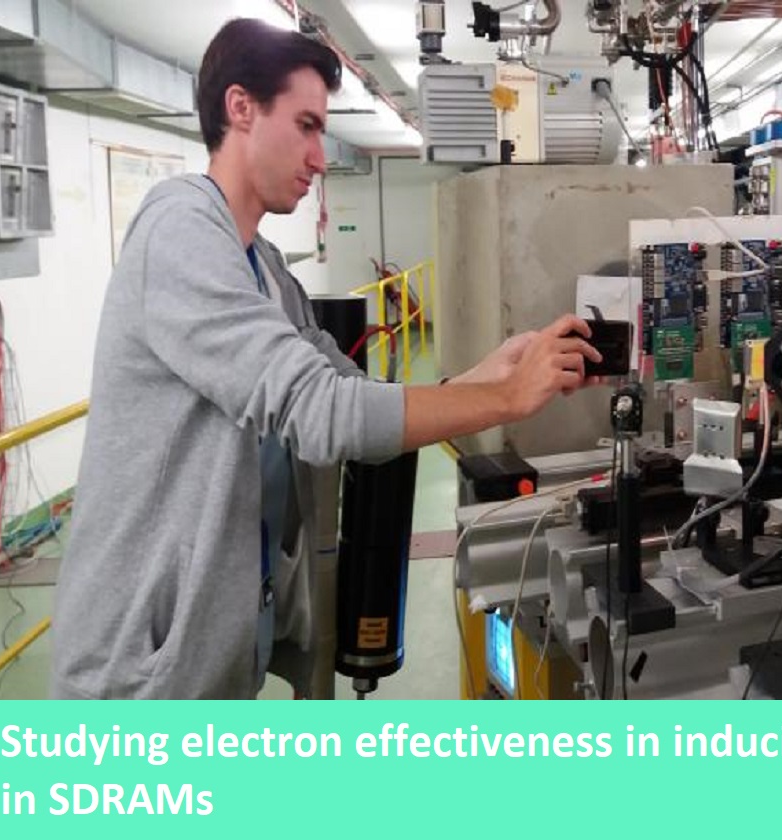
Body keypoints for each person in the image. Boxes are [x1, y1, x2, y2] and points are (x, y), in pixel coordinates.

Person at [50, 18, 600, 700]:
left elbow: (346, 390)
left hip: (209, 666)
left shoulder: (263, 267)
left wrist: (488, 374)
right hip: (135, 679)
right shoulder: (178, 230)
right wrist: (507, 399)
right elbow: (323, 414)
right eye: (306, 126)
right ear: (241, 107)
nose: (318, 157)